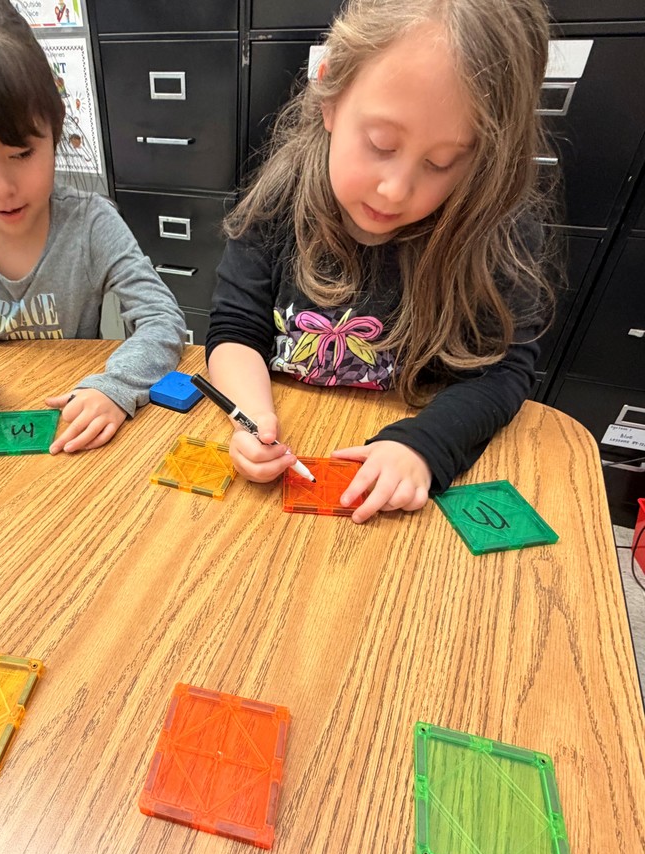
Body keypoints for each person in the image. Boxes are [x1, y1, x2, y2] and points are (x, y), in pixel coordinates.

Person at [205, 0, 557, 522]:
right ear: (329, 94)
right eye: (380, 143)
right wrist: (251, 416)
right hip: (282, 453)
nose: (395, 191)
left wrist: (423, 446)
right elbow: (235, 328)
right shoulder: (279, 201)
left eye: (440, 163)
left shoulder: (494, 232)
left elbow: (503, 372)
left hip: (403, 477)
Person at [0, 0, 186, 454]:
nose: (2, 188)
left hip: (69, 427)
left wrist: (116, 385)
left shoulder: (91, 220)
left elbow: (162, 318)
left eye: (21, 153)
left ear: (55, 129)